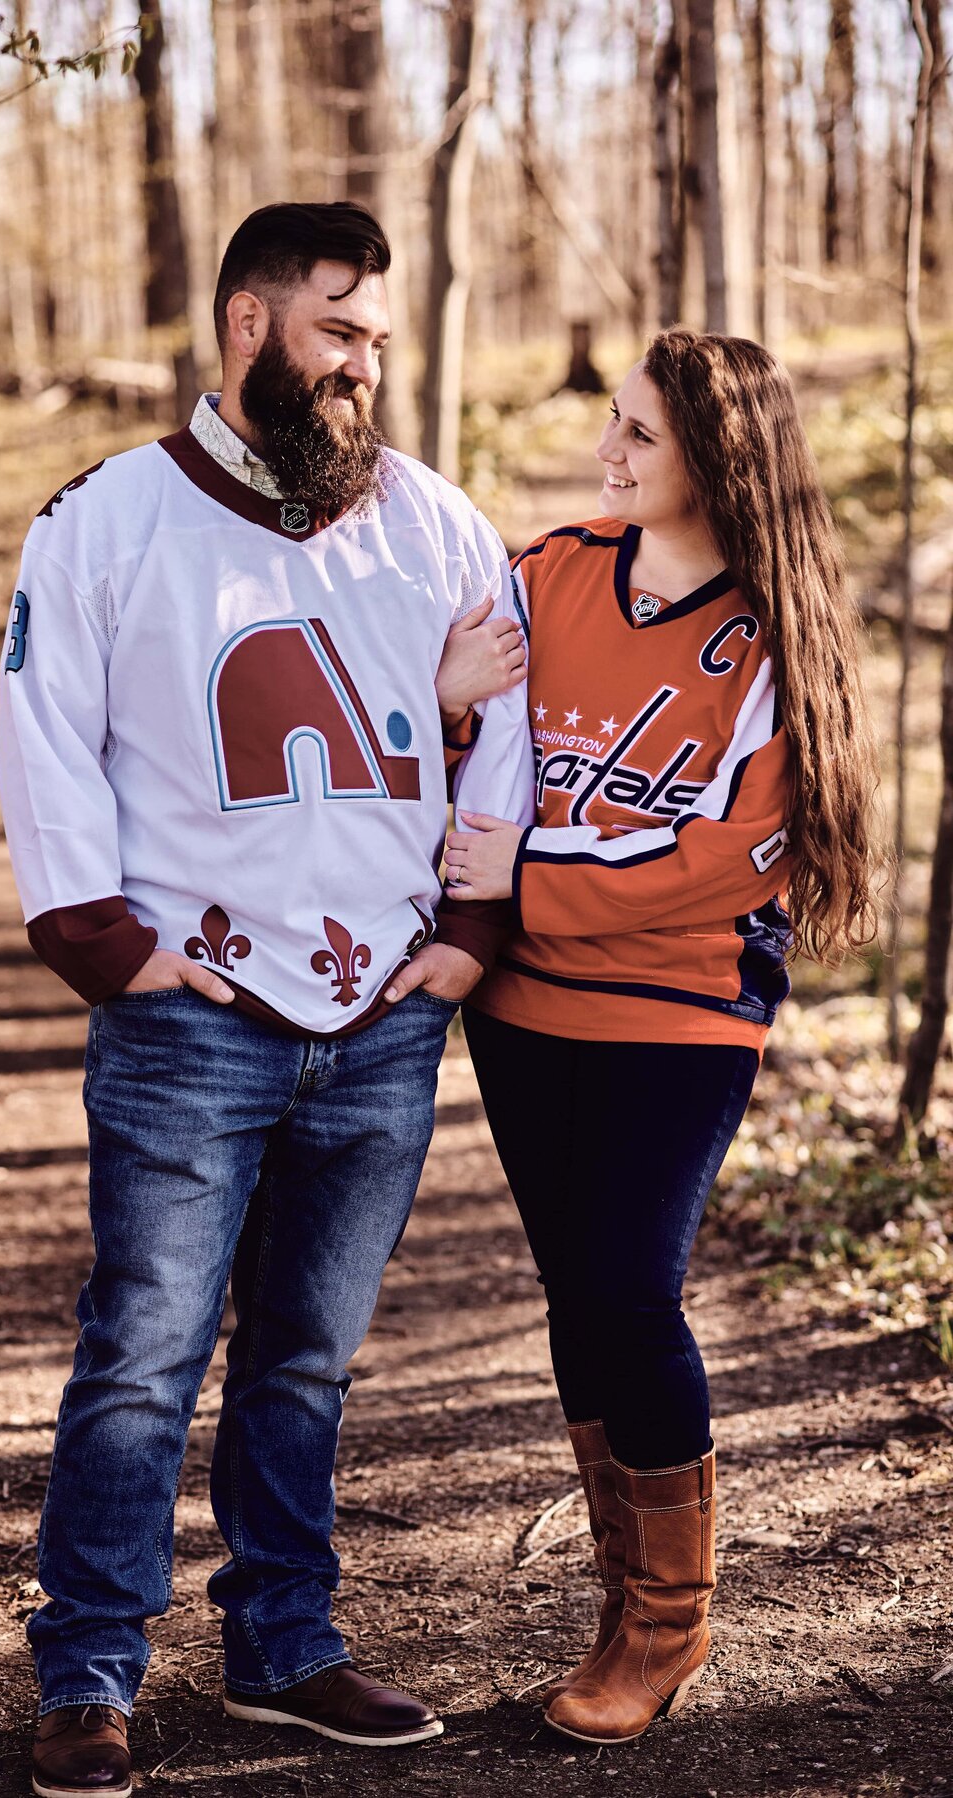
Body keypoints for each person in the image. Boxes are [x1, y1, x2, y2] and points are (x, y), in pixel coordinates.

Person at [0, 200, 532, 1798]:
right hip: (193, 1006)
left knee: (308, 1353)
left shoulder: (434, 524)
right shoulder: (105, 521)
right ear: (249, 326)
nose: (368, 365)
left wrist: (469, 926)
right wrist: (107, 941)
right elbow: (46, 735)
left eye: (380, 336)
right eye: (339, 331)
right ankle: (90, 1665)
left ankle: (283, 1647)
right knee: (146, 1345)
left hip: (380, 1008)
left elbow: (499, 732)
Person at [436, 328, 879, 1745]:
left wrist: (521, 893)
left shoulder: (771, 633)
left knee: (632, 1286)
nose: (606, 451)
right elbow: (463, 763)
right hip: (525, 1007)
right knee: (578, 1294)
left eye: (638, 435)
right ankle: (620, 1596)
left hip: (684, 1005)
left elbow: (725, 860)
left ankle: (669, 1624)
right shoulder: (549, 571)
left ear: (717, 463)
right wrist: (448, 700)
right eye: (612, 423)